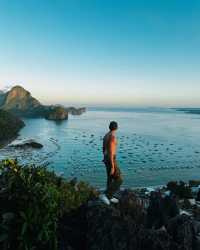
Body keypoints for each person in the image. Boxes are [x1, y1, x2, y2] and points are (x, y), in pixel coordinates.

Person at [99, 121, 123, 205]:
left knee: (110, 178)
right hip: (111, 159)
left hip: (106, 158)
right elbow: (111, 152)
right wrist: (113, 166)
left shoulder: (106, 135)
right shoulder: (112, 137)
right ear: (116, 128)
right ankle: (106, 194)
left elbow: (103, 148)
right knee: (119, 179)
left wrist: (104, 158)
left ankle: (109, 196)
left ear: (109, 127)